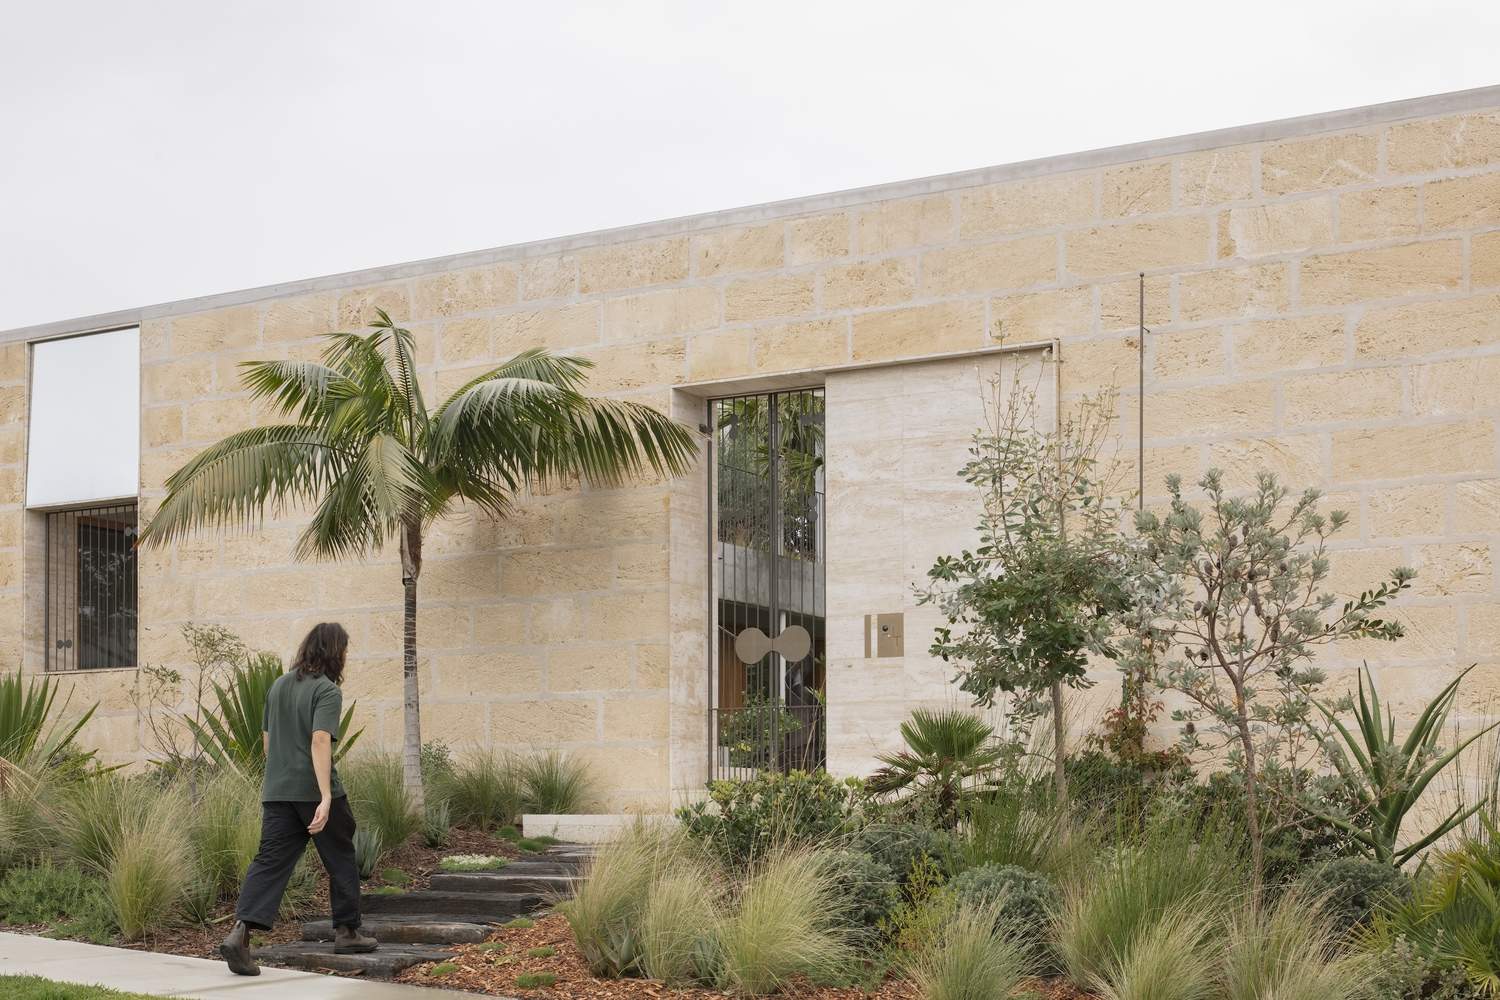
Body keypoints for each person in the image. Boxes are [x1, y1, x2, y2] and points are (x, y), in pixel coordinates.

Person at [221, 622, 377, 976]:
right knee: (340, 855)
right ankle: (347, 932)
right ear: (334, 652)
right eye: (344, 650)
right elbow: (320, 740)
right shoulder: (327, 691)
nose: (346, 656)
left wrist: (285, 775)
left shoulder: (278, 686)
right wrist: (325, 796)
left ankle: (240, 934)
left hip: (277, 792)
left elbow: (267, 743)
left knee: (269, 862)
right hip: (313, 792)